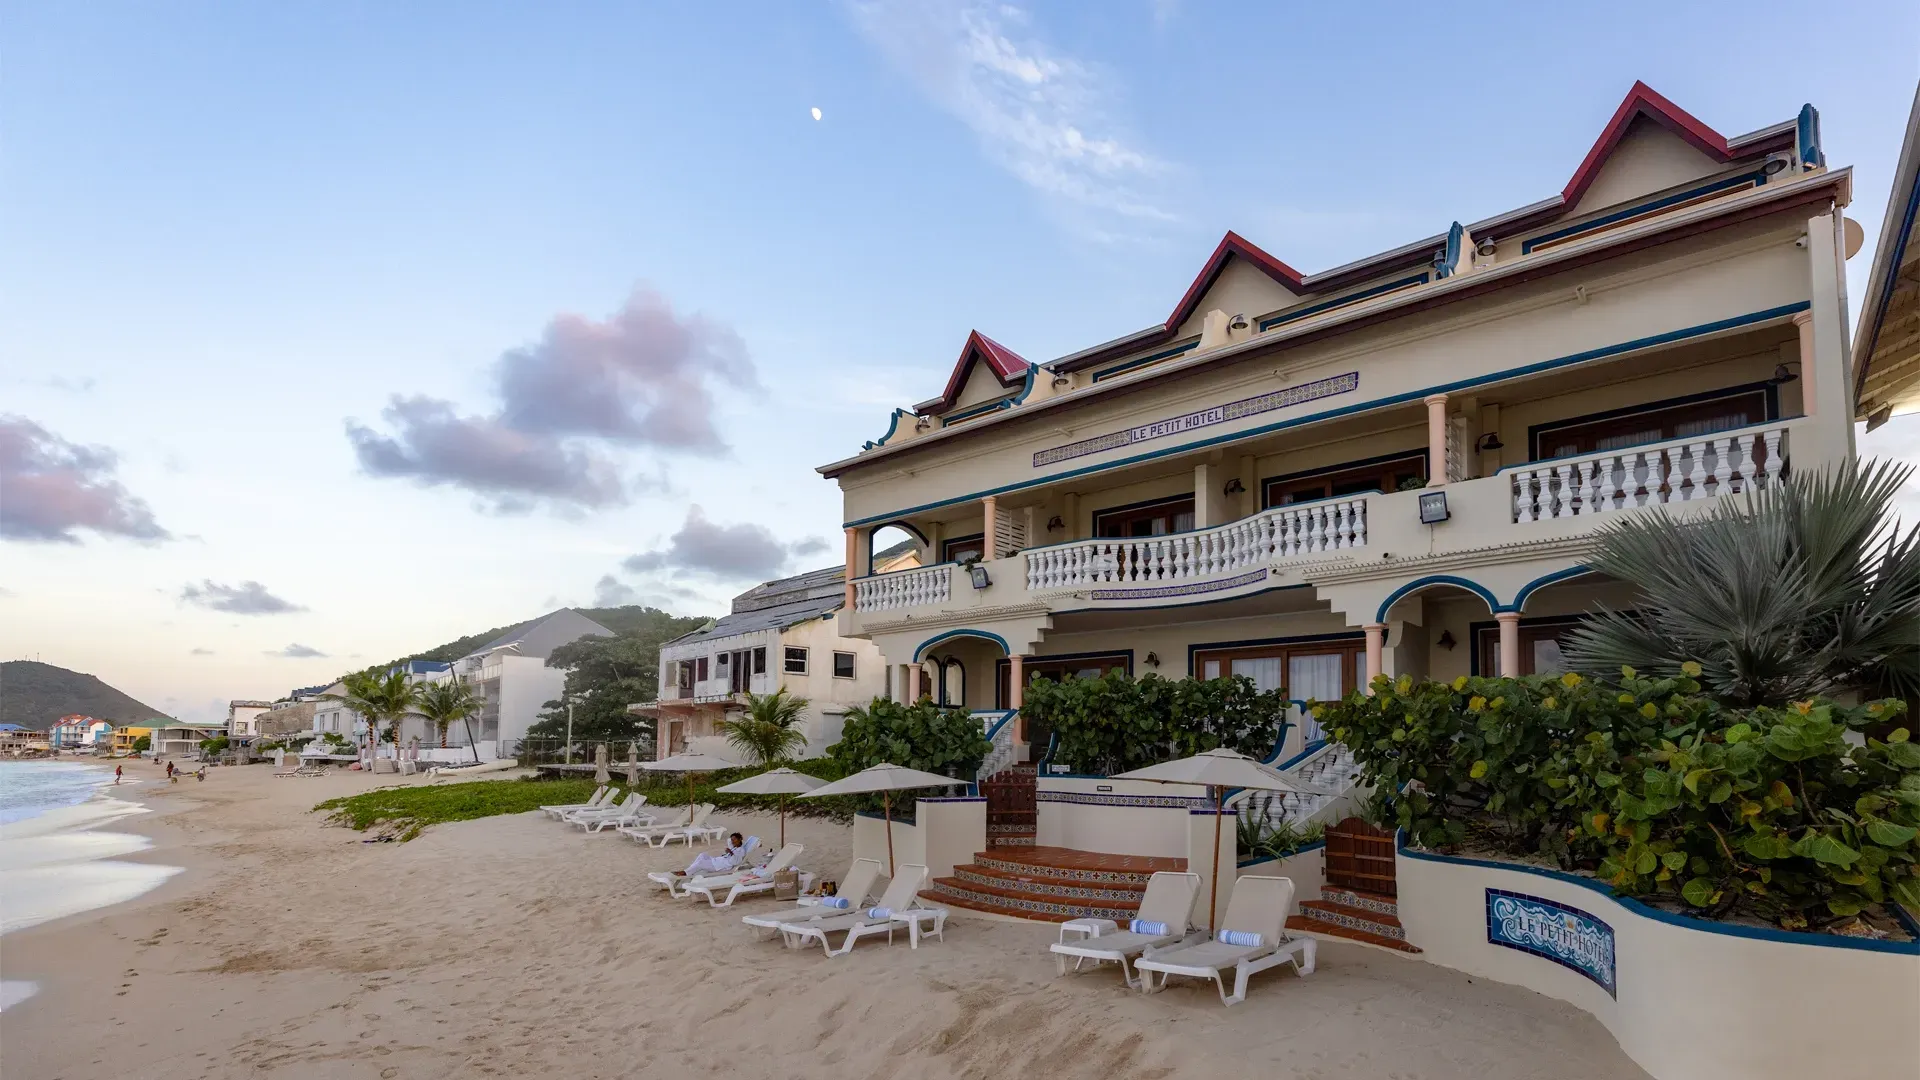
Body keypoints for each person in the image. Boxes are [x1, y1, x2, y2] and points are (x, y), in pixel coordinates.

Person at [680, 833, 755, 877]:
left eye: (734, 839)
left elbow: (735, 862)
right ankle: (689, 870)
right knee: (702, 855)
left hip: (722, 866)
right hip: (718, 861)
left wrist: (731, 853)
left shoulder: (741, 850)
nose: (732, 841)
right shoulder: (735, 847)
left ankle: (686, 873)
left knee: (700, 863)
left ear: (739, 839)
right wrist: (734, 845)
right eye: (732, 839)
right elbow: (729, 841)